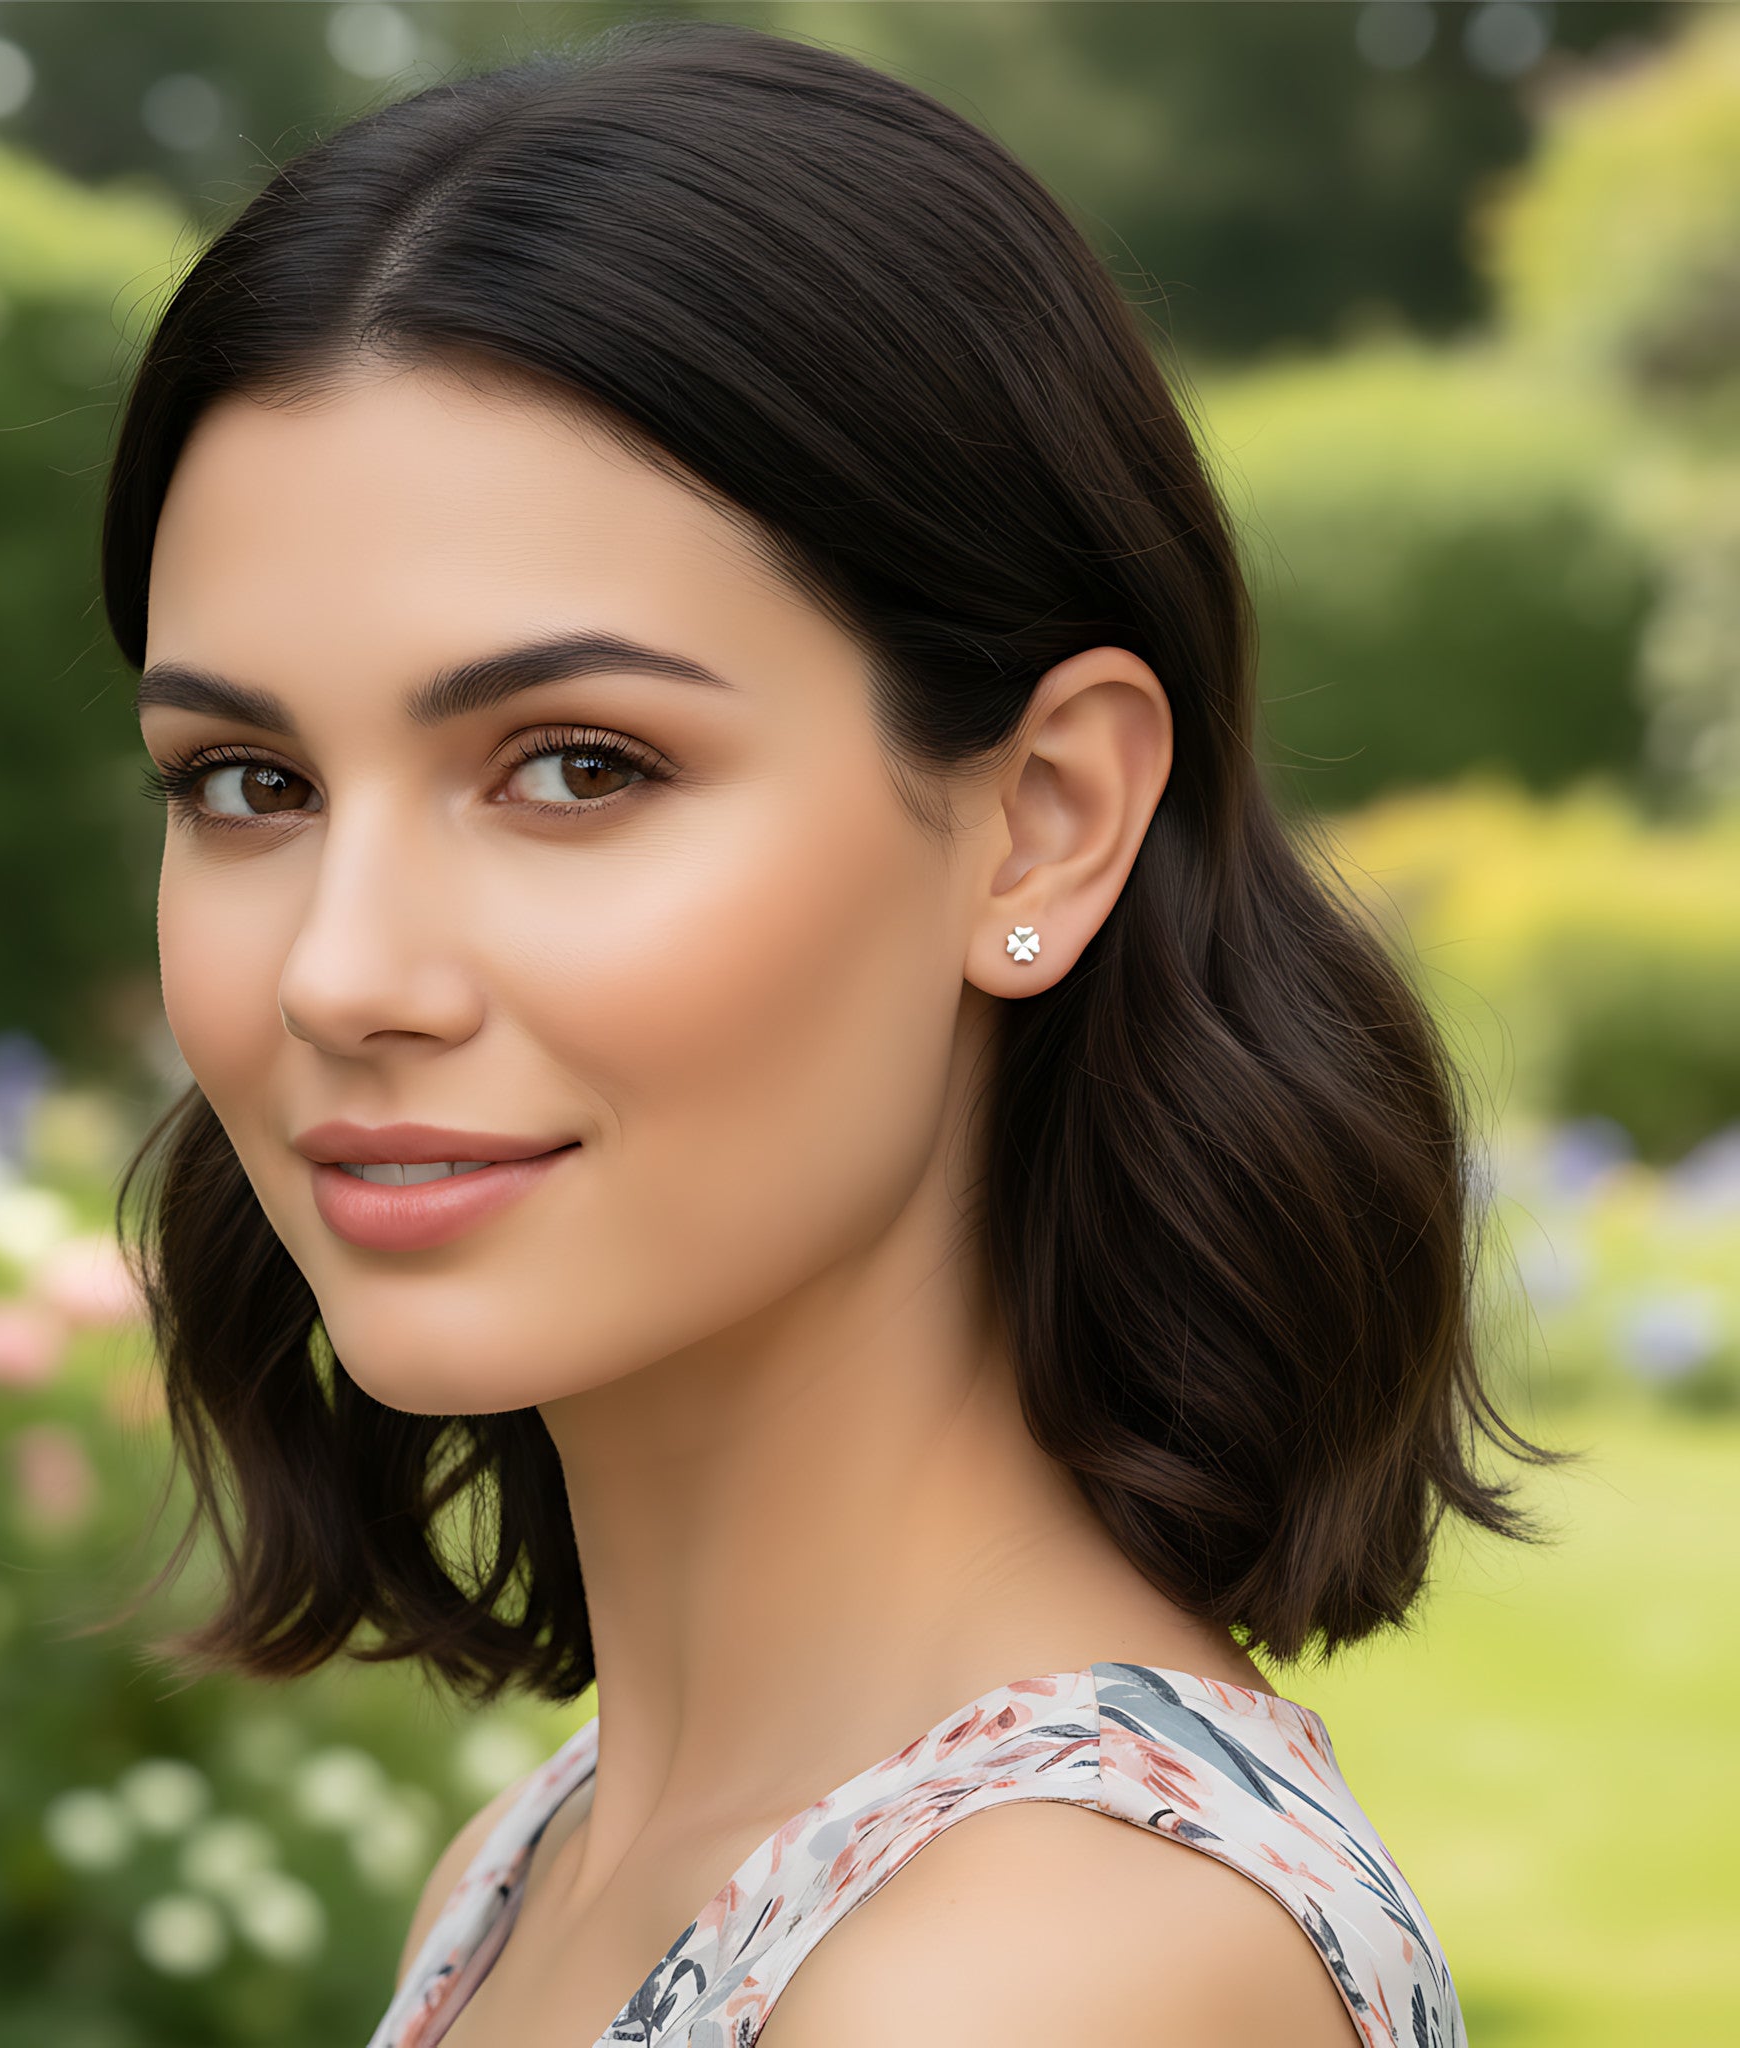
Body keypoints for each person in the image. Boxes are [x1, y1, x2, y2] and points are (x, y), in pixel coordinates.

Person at [103, 19, 1538, 2046]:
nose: (342, 972)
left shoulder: (1037, 1976)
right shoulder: (540, 1862)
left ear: (1044, 816)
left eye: (577, 764)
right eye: (247, 781)